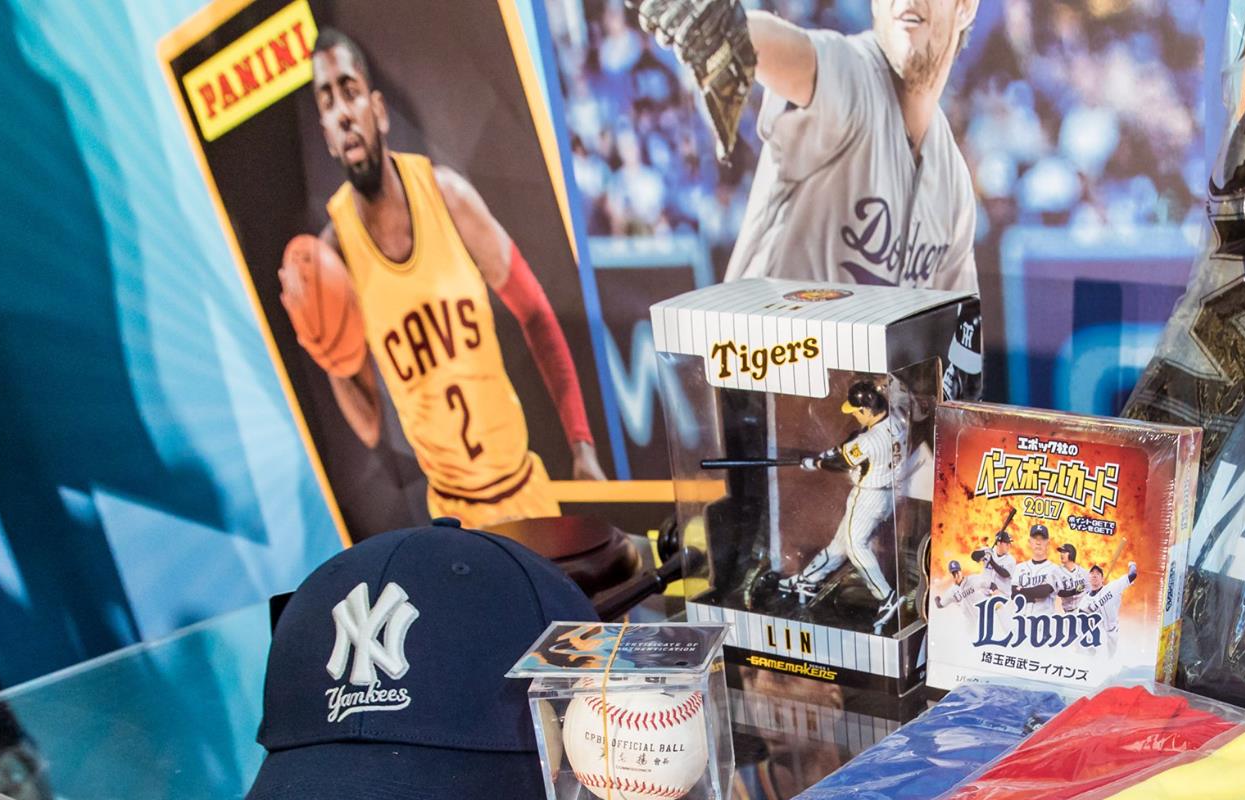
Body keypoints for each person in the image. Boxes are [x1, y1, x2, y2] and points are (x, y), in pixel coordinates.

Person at [281, 28, 604, 527]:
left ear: (378, 110)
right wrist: (325, 349)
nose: (342, 112)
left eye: (349, 91)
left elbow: (536, 314)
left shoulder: (448, 197)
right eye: (327, 101)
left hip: (522, 489)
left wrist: (582, 446)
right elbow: (368, 426)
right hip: (452, 520)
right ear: (326, 135)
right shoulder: (335, 253)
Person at [643, 0, 980, 290]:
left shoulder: (953, 184)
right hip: (759, 346)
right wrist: (730, 31)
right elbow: (782, 50)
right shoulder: (854, 75)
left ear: (965, 7)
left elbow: (958, 334)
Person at [779, 379, 908, 628]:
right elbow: (856, 439)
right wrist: (834, 450)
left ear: (867, 410)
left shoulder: (869, 441)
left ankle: (886, 596)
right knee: (840, 543)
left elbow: (842, 462)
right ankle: (809, 579)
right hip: (889, 494)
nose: (855, 415)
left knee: (854, 545)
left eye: (857, 411)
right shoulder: (894, 422)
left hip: (868, 496)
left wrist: (816, 463)